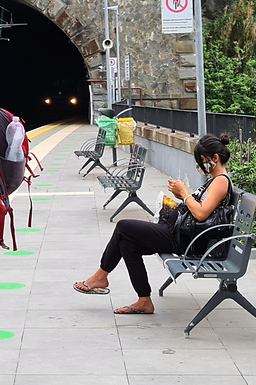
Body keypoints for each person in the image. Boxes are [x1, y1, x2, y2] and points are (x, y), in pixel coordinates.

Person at [74, 133, 234, 316]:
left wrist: (185, 193)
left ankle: (101, 277)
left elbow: (201, 213)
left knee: (123, 227)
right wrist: (181, 196)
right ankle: (144, 301)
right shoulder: (215, 181)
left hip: (184, 239)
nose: (200, 166)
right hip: (179, 233)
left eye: (202, 161)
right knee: (127, 244)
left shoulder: (221, 181)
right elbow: (201, 208)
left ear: (215, 158)